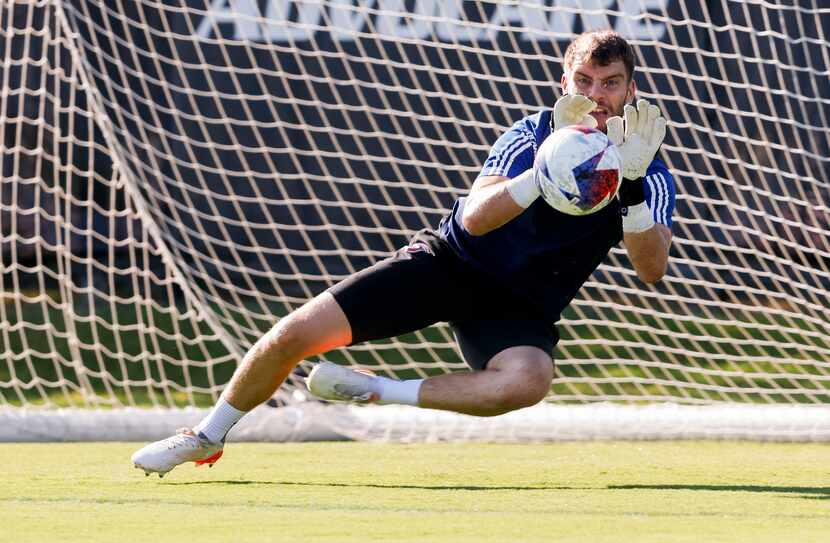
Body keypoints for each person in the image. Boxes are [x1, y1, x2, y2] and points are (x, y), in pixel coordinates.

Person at [131, 30, 676, 476]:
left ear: (630, 91)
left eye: (611, 83)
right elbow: (473, 219)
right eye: (584, 80)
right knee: (292, 335)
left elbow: (651, 270)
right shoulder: (531, 133)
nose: (597, 95)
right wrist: (546, 170)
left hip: (519, 308)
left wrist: (626, 187)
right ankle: (206, 435)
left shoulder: (646, 166)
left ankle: (376, 390)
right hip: (449, 264)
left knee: (528, 380)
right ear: (565, 83)